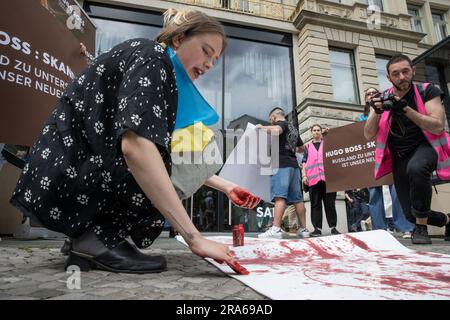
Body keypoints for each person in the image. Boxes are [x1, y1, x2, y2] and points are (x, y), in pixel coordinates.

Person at [10, 8, 260, 274]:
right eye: (206, 51)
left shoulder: (152, 63)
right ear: (178, 39)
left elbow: (154, 153)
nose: (210, 64)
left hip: (67, 170)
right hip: (70, 173)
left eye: (215, 59)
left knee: (171, 149)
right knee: (193, 147)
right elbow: (137, 149)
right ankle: (97, 239)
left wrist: (226, 186)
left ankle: (88, 237)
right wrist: (194, 238)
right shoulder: (153, 59)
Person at [365, 54, 450, 244]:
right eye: (396, 74)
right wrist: (376, 112)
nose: (401, 77)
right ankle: (446, 220)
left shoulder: (427, 90)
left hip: (426, 147)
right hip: (399, 156)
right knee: (410, 213)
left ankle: (421, 229)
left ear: (413, 70)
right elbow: (369, 134)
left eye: (405, 71)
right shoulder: (382, 97)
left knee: (417, 168)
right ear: (389, 78)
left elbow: (437, 125)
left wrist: (405, 109)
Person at [363, 88, 414, 238]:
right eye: (369, 94)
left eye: (375, 93)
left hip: (390, 156)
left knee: (397, 191)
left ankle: (405, 226)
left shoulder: (388, 111)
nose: (372, 95)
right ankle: (379, 229)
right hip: (370, 160)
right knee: (374, 194)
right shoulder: (360, 119)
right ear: (366, 99)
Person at [255, 107, 310, 239]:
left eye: (271, 120)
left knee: (280, 196)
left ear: (274, 117)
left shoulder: (281, 124)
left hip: (281, 164)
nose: (271, 122)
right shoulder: (293, 128)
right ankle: (304, 229)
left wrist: (261, 127)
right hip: (294, 166)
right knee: (298, 199)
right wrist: (290, 147)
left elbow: (277, 130)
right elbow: (302, 148)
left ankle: (276, 229)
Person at [302, 124, 340, 237]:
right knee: (315, 205)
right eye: (314, 130)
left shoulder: (327, 144)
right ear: (311, 132)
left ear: (321, 132)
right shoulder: (307, 147)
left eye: (318, 130)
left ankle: (333, 227)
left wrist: (329, 135)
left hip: (327, 179)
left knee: (330, 204)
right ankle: (317, 229)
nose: (316, 132)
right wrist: (304, 176)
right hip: (313, 181)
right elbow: (304, 162)